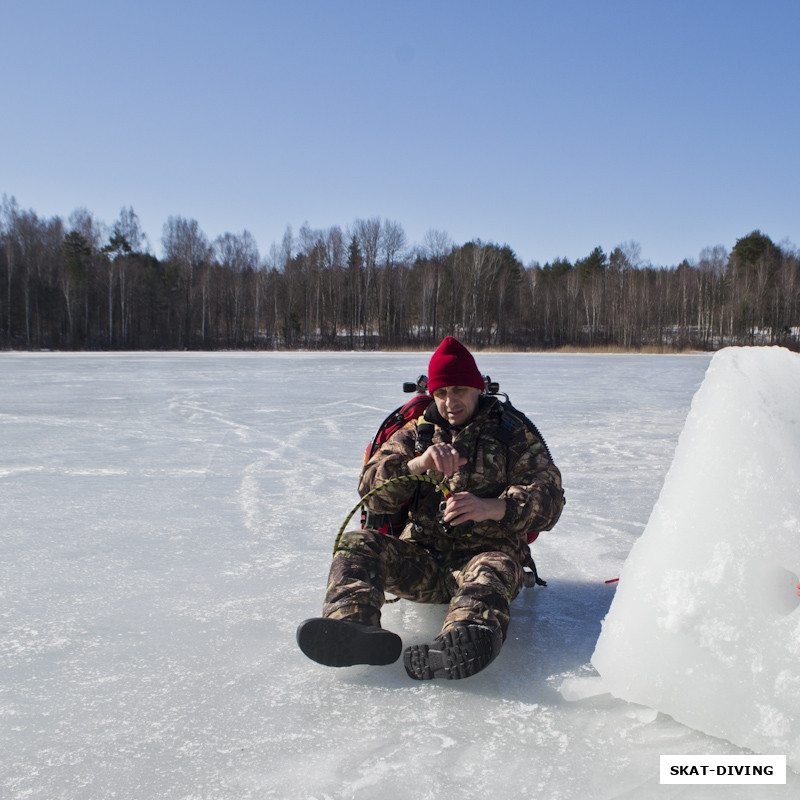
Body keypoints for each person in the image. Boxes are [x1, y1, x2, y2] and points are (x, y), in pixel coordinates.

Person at [297, 336, 564, 680]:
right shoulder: (414, 435)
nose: (450, 402)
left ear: (477, 388)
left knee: (492, 568)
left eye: (458, 391)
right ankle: (353, 626)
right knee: (356, 544)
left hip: (485, 557)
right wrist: (416, 465)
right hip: (423, 560)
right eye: (441, 393)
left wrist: (491, 507)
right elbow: (369, 492)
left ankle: (461, 641)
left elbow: (549, 501)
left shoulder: (512, 436)